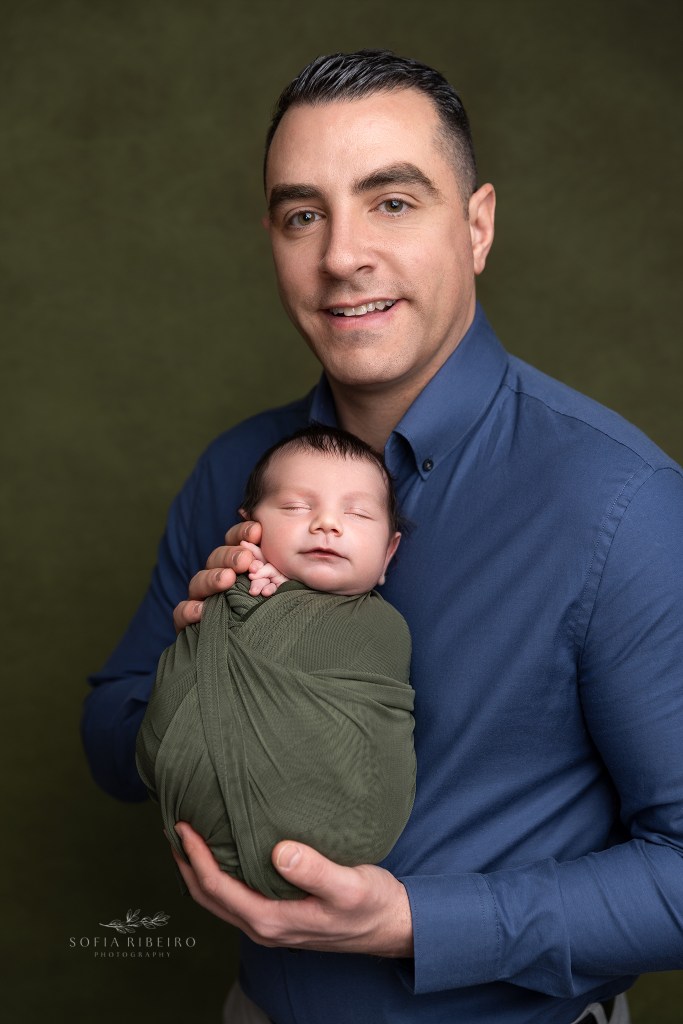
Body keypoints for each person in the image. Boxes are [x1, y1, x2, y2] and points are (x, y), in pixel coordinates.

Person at [82, 50, 683, 1024]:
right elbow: (110, 741)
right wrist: (204, 662)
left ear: (476, 225)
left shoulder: (622, 506)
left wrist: (414, 920)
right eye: (301, 214)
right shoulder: (236, 469)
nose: (340, 255)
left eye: (391, 202)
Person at [135, 424, 416, 901]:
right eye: (296, 507)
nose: (327, 523)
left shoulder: (384, 631)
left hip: (348, 833)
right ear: (249, 529)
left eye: (359, 513)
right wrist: (241, 595)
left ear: (388, 553)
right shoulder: (231, 587)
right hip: (196, 804)